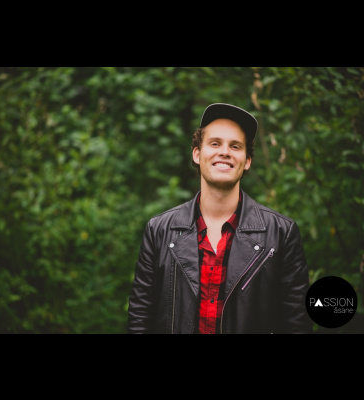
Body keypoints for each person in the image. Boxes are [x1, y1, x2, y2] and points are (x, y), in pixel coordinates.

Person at [128, 103, 313, 334]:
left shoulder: (281, 234)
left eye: (235, 146)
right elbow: (139, 320)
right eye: (215, 143)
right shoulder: (159, 231)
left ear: (247, 160)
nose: (225, 152)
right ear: (197, 154)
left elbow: (296, 325)